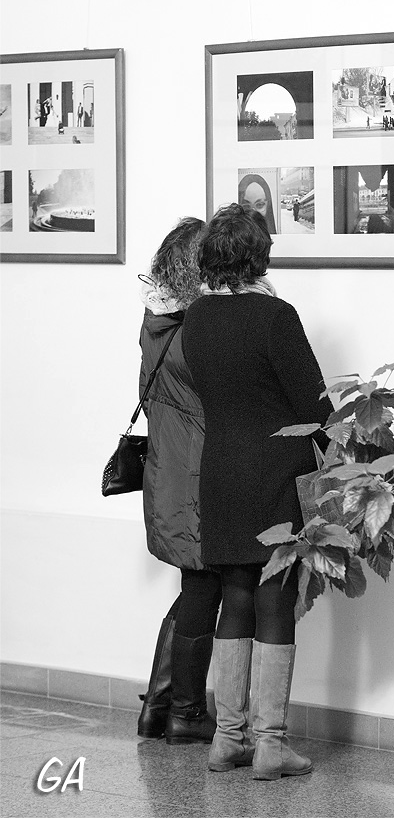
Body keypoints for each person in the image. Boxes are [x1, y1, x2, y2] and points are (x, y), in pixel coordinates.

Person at [182, 204, 332, 780]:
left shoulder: (197, 317)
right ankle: (271, 744)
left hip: (220, 470)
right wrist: (357, 450)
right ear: (259, 255)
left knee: (235, 594)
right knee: (275, 597)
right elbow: (314, 405)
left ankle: (228, 739)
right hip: (274, 473)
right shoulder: (275, 316)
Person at [136, 216, 222, 746]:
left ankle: (160, 706)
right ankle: (184, 712)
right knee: (204, 584)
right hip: (196, 470)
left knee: (198, 584)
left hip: (169, 468)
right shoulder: (197, 331)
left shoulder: (157, 320)